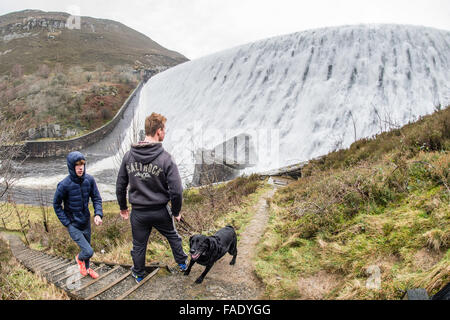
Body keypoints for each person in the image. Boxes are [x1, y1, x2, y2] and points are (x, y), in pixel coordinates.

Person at [116, 112, 188, 283]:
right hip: (160, 211)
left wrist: (123, 207)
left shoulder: (129, 156)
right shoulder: (166, 158)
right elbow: (177, 190)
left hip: (138, 213)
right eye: (164, 130)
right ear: (158, 132)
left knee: (139, 245)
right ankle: (183, 264)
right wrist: (176, 212)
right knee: (172, 236)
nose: (165, 133)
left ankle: (139, 274)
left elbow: (120, 185)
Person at [53, 151, 103, 279]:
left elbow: (96, 198)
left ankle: (87, 269)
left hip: (85, 221)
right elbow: (56, 205)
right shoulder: (64, 185)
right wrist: (67, 223)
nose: (81, 168)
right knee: (88, 251)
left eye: (82, 165)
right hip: (73, 224)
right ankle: (78, 259)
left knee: (87, 250)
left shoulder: (89, 180)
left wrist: (98, 214)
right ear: (71, 166)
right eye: (77, 165)